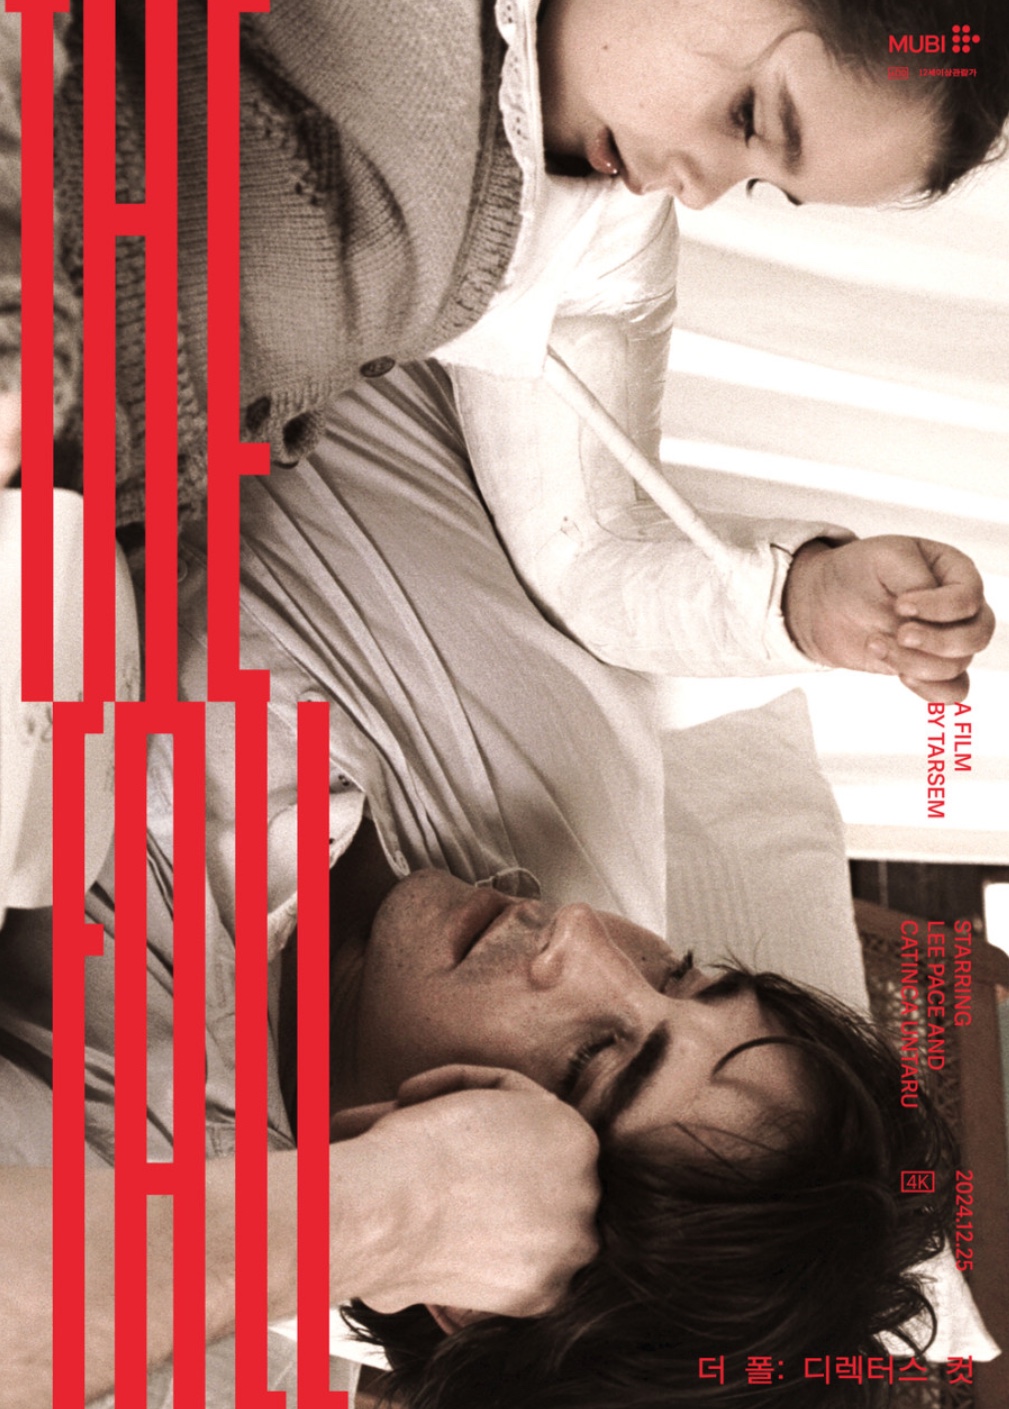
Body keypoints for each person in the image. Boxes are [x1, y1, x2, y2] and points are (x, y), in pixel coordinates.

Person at [0, 363, 971, 1408]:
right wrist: (785, 593)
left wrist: (390, 1209)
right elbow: (544, 380)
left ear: (484, 1251)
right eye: (682, 974)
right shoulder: (569, 774)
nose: (580, 935)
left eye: (595, 1055)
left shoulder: (117, 1181)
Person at [3, 0, 1004, 695]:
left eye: (756, 186)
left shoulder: (600, 244)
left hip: (73, 484)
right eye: (746, 116)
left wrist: (801, 598)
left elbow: (587, 547)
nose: (697, 190)